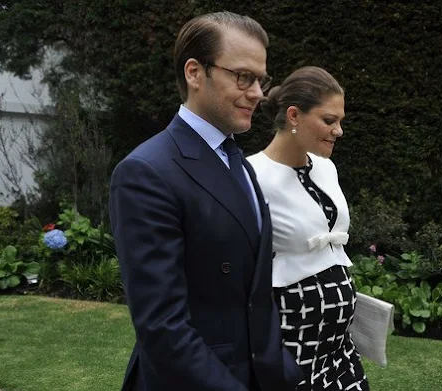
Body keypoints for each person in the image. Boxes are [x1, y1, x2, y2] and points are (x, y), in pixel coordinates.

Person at [109, 12, 303, 391]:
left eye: (261, 80)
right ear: (194, 73)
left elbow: (255, 295)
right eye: (243, 77)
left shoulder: (238, 163)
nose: (258, 93)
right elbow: (163, 329)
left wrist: (284, 372)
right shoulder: (145, 172)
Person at [247, 66, 370, 391]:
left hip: (340, 345)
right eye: (329, 121)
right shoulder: (252, 175)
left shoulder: (327, 168)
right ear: (293, 116)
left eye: (340, 121)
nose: (339, 131)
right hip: (292, 338)